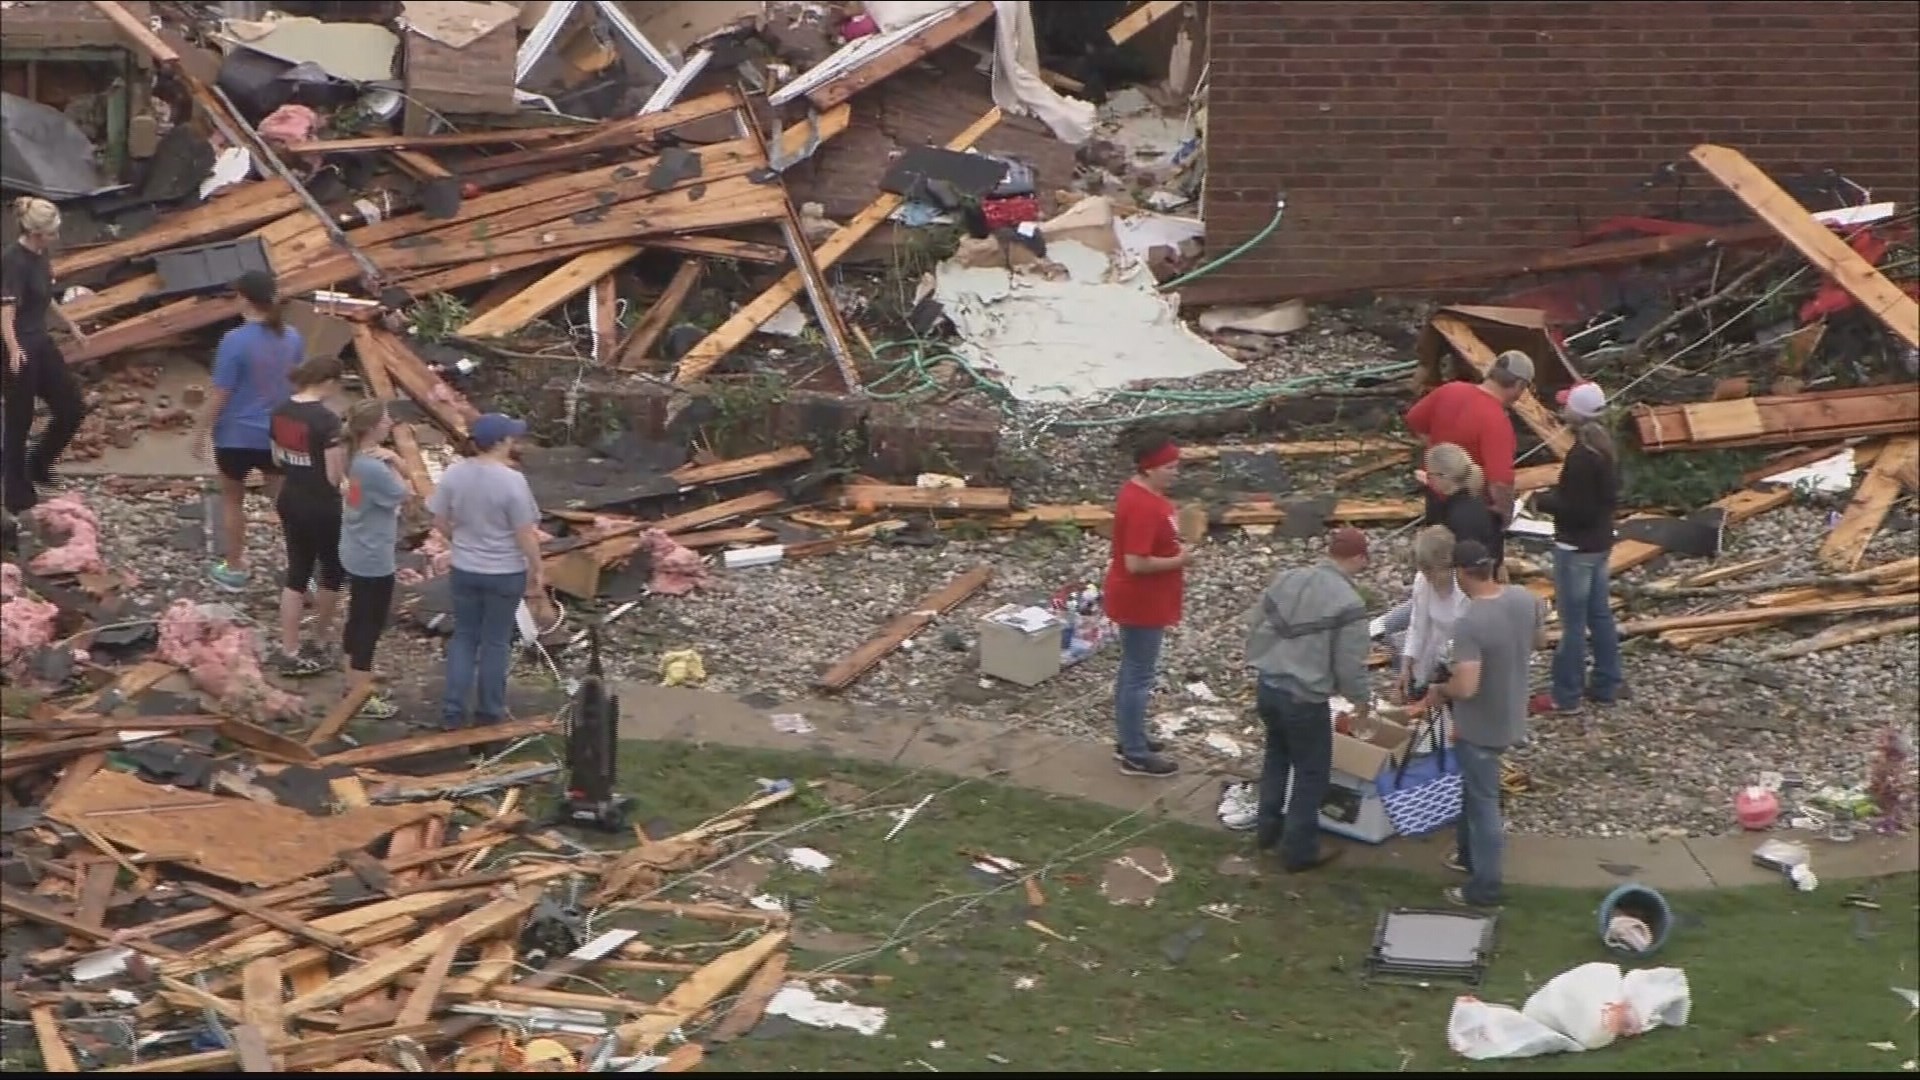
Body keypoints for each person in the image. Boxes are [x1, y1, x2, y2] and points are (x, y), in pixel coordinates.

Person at [1420, 539, 1547, 908]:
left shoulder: (1471, 621)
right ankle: (1467, 855)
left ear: (1461, 573)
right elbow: (1539, 641)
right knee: (1476, 794)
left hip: (1480, 727)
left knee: (1484, 805)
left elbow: (1467, 686)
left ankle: (1485, 887)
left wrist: (1439, 689)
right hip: (1511, 714)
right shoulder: (1526, 599)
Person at [1243, 526, 1374, 872]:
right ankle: (1299, 849)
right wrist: (1361, 700)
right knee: (1311, 772)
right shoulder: (1349, 604)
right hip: (1303, 699)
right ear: (1359, 558)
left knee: (1276, 757)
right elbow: (1349, 664)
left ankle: (1267, 830)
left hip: (1268, 687)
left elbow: (1256, 622)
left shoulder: (1287, 578)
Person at [428, 413, 545, 734]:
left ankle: (453, 712)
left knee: (464, 637)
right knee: (495, 642)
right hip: (505, 572)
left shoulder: (454, 474)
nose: (513, 442)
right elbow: (525, 533)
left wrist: (460, 543)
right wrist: (538, 568)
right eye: (510, 437)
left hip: (465, 569)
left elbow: (439, 521)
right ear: (500, 442)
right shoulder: (512, 481)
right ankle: (489, 712)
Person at [198, 271, 304, 593]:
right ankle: (303, 570)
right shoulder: (293, 337)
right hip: (278, 432)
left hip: (235, 435)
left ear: (244, 298)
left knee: (233, 500)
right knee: (286, 504)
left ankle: (234, 567)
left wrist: (199, 431)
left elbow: (221, 393)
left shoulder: (234, 341)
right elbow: (296, 382)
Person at [1533, 381, 1622, 715]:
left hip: (1575, 548)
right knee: (1600, 616)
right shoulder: (1606, 448)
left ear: (1578, 412)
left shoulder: (1581, 457)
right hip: (1600, 544)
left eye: (1567, 404)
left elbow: (1577, 509)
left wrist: (1542, 501)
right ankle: (1606, 683)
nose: (1562, 408)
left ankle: (1565, 696)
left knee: (1572, 625)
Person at [1103, 433, 1190, 778]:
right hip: (1141, 601)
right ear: (1150, 468)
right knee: (1139, 675)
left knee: (1132, 670)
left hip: (1147, 599)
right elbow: (1136, 563)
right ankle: (1135, 754)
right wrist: (1180, 560)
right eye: (1169, 466)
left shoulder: (1146, 495)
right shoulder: (1142, 505)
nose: (1175, 472)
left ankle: (1130, 737)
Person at [1, 197, 90, 513]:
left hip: (41, 341)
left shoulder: (41, 255)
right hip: (19, 346)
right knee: (18, 422)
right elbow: (6, 312)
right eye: (52, 233)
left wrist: (71, 326)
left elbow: (46, 296)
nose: (57, 237)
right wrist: (13, 350)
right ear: (37, 233)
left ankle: (38, 462)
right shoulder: (13, 260)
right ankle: (17, 497)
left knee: (71, 407)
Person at [268, 356, 348, 676]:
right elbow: (334, 476)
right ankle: (319, 636)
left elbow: (275, 457)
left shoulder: (280, 411)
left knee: (297, 574)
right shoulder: (327, 421)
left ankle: (289, 647)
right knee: (331, 571)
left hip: (291, 496)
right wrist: (354, 491)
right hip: (322, 504)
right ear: (328, 381)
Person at [1403, 349, 1534, 529]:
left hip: (1436, 489)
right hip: (1471, 505)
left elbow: (1414, 420)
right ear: (1519, 385)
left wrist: (1437, 451)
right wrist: (1505, 516)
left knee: (1438, 547)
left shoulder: (1450, 389)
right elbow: (1500, 482)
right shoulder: (1497, 421)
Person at [338, 400, 407, 720]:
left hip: (355, 541)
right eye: (387, 419)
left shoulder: (354, 457)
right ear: (373, 426)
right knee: (370, 621)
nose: (391, 422)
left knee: (357, 613)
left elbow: (353, 496)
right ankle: (360, 692)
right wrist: (395, 460)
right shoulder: (374, 467)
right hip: (373, 553)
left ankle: (351, 672)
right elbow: (406, 492)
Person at [1398, 525, 1469, 704]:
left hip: (1465, 664)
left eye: (1431, 570)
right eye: (1424, 570)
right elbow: (1417, 626)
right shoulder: (1422, 581)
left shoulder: (1466, 588)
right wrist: (1406, 666)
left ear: (1448, 566)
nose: (1427, 576)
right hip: (1434, 656)